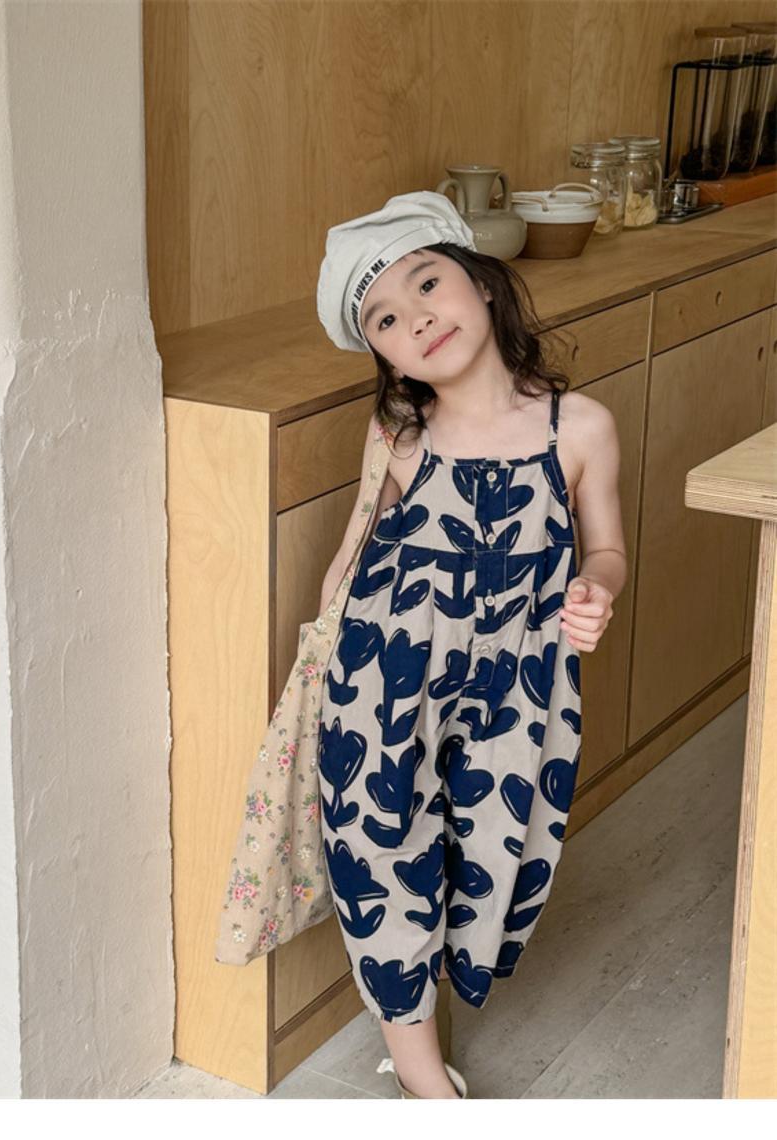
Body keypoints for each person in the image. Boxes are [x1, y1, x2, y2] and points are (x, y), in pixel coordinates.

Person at [313, 190, 627, 1099]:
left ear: (482, 283)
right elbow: (351, 556)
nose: (415, 318)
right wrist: (322, 680)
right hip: (385, 681)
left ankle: (439, 1007)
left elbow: (606, 547)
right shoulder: (400, 436)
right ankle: (425, 1081)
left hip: (516, 686)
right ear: (382, 353)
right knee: (382, 855)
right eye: (384, 318)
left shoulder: (580, 428)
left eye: (427, 284)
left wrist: (595, 589)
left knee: (493, 850)